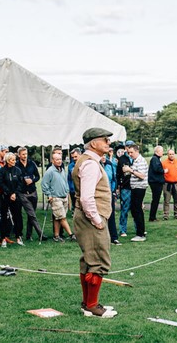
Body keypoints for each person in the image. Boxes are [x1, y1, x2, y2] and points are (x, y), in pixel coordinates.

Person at [72, 127, 117, 318]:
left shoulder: (89, 161)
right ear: (93, 144)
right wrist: (97, 220)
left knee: (89, 260)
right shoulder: (90, 164)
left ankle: (87, 304)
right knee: (98, 260)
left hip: (86, 217)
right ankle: (92, 305)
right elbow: (87, 198)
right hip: (91, 218)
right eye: (105, 140)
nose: (108, 143)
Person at [42, 153, 75, 242]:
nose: (59, 161)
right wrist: (49, 194)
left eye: (60, 159)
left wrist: (67, 191)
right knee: (62, 217)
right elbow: (44, 184)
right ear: (52, 161)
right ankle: (71, 234)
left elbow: (65, 182)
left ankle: (56, 236)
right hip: (55, 197)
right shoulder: (50, 171)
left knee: (58, 217)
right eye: (57, 159)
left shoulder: (62, 170)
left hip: (64, 196)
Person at [17, 147, 44, 241]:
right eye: (23, 154)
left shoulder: (32, 163)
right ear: (19, 155)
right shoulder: (16, 165)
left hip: (33, 191)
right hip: (23, 193)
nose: (25, 156)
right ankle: (41, 234)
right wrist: (22, 181)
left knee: (31, 215)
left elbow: (37, 176)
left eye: (26, 154)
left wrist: (32, 180)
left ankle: (29, 235)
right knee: (32, 214)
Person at [0, 152, 24, 246]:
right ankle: (3, 238)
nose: (14, 161)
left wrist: (15, 193)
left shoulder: (17, 170)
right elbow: (1, 183)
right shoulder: (2, 170)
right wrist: (9, 193)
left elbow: (20, 184)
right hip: (5, 197)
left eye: (14, 159)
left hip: (15, 197)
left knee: (17, 216)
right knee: (4, 217)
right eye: (12, 160)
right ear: (8, 161)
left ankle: (18, 236)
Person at [123, 143, 148, 242]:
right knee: (136, 210)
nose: (130, 154)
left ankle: (140, 234)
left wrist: (131, 170)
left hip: (139, 187)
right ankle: (141, 231)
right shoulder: (135, 161)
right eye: (128, 152)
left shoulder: (141, 161)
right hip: (135, 187)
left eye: (131, 152)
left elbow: (142, 176)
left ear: (137, 151)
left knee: (136, 210)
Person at [101, 153, 120, 245]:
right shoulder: (95, 165)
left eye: (104, 155)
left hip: (109, 193)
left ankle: (114, 237)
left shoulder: (109, 164)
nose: (103, 157)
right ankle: (102, 238)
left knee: (111, 215)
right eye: (101, 155)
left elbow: (113, 179)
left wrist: (112, 190)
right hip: (100, 194)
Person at [161, 149, 177, 221]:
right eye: (170, 154)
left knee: (176, 200)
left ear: (174, 154)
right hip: (167, 184)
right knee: (166, 200)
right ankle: (166, 215)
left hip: (176, 184)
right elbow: (160, 173)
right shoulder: (164, 163)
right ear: (167, 155)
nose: (171, 155)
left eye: (173, 154)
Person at [115, 143, 133, 237]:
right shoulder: (122, 159)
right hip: (125, 187)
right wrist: (118, 187)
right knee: (125, 209)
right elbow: (118, 174)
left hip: (135, 186)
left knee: (136, 209)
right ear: (126, 148)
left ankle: (139, 228)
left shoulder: (135, 158)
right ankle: (122, 229)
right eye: (128, 147)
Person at [147, 146, 165, 222]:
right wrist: (164, 171)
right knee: (155, 200)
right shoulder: (155, 159)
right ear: (157, 152)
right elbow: (156, 169)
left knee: (156, 199)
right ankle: (152, 217)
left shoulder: (156, 159)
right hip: (156, 182)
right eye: (161, 151)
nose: (162, 152)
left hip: (155, 181)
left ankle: (153, 216)